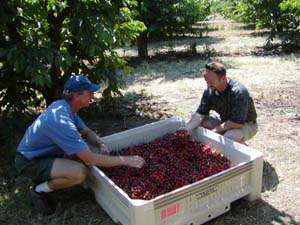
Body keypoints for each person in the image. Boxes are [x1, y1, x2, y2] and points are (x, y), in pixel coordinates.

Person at [15, 75, 145, 215]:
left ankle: (50, 173)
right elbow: (89, 159)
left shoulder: (65, 107)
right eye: (89, 92)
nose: (93, 95)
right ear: (77, 96)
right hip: (29, 161)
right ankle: (38, 190)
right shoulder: (61, 121)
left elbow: (87, 132)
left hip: (48, 153)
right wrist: (126, 160)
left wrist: (100, 144)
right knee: (79, 172)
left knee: (87, 150)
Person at [184, 61, 258, 144]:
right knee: (197, 123)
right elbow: (200, 114)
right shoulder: (210, 90)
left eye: (211, 82)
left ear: (222, 78)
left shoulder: (238, 92)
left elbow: (237, 123)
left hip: (246, 124)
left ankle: (243, 148)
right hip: (225, 121)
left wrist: (215, 131)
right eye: (206, 81)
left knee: (229, 137)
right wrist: (186, 129)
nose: (208, 85)